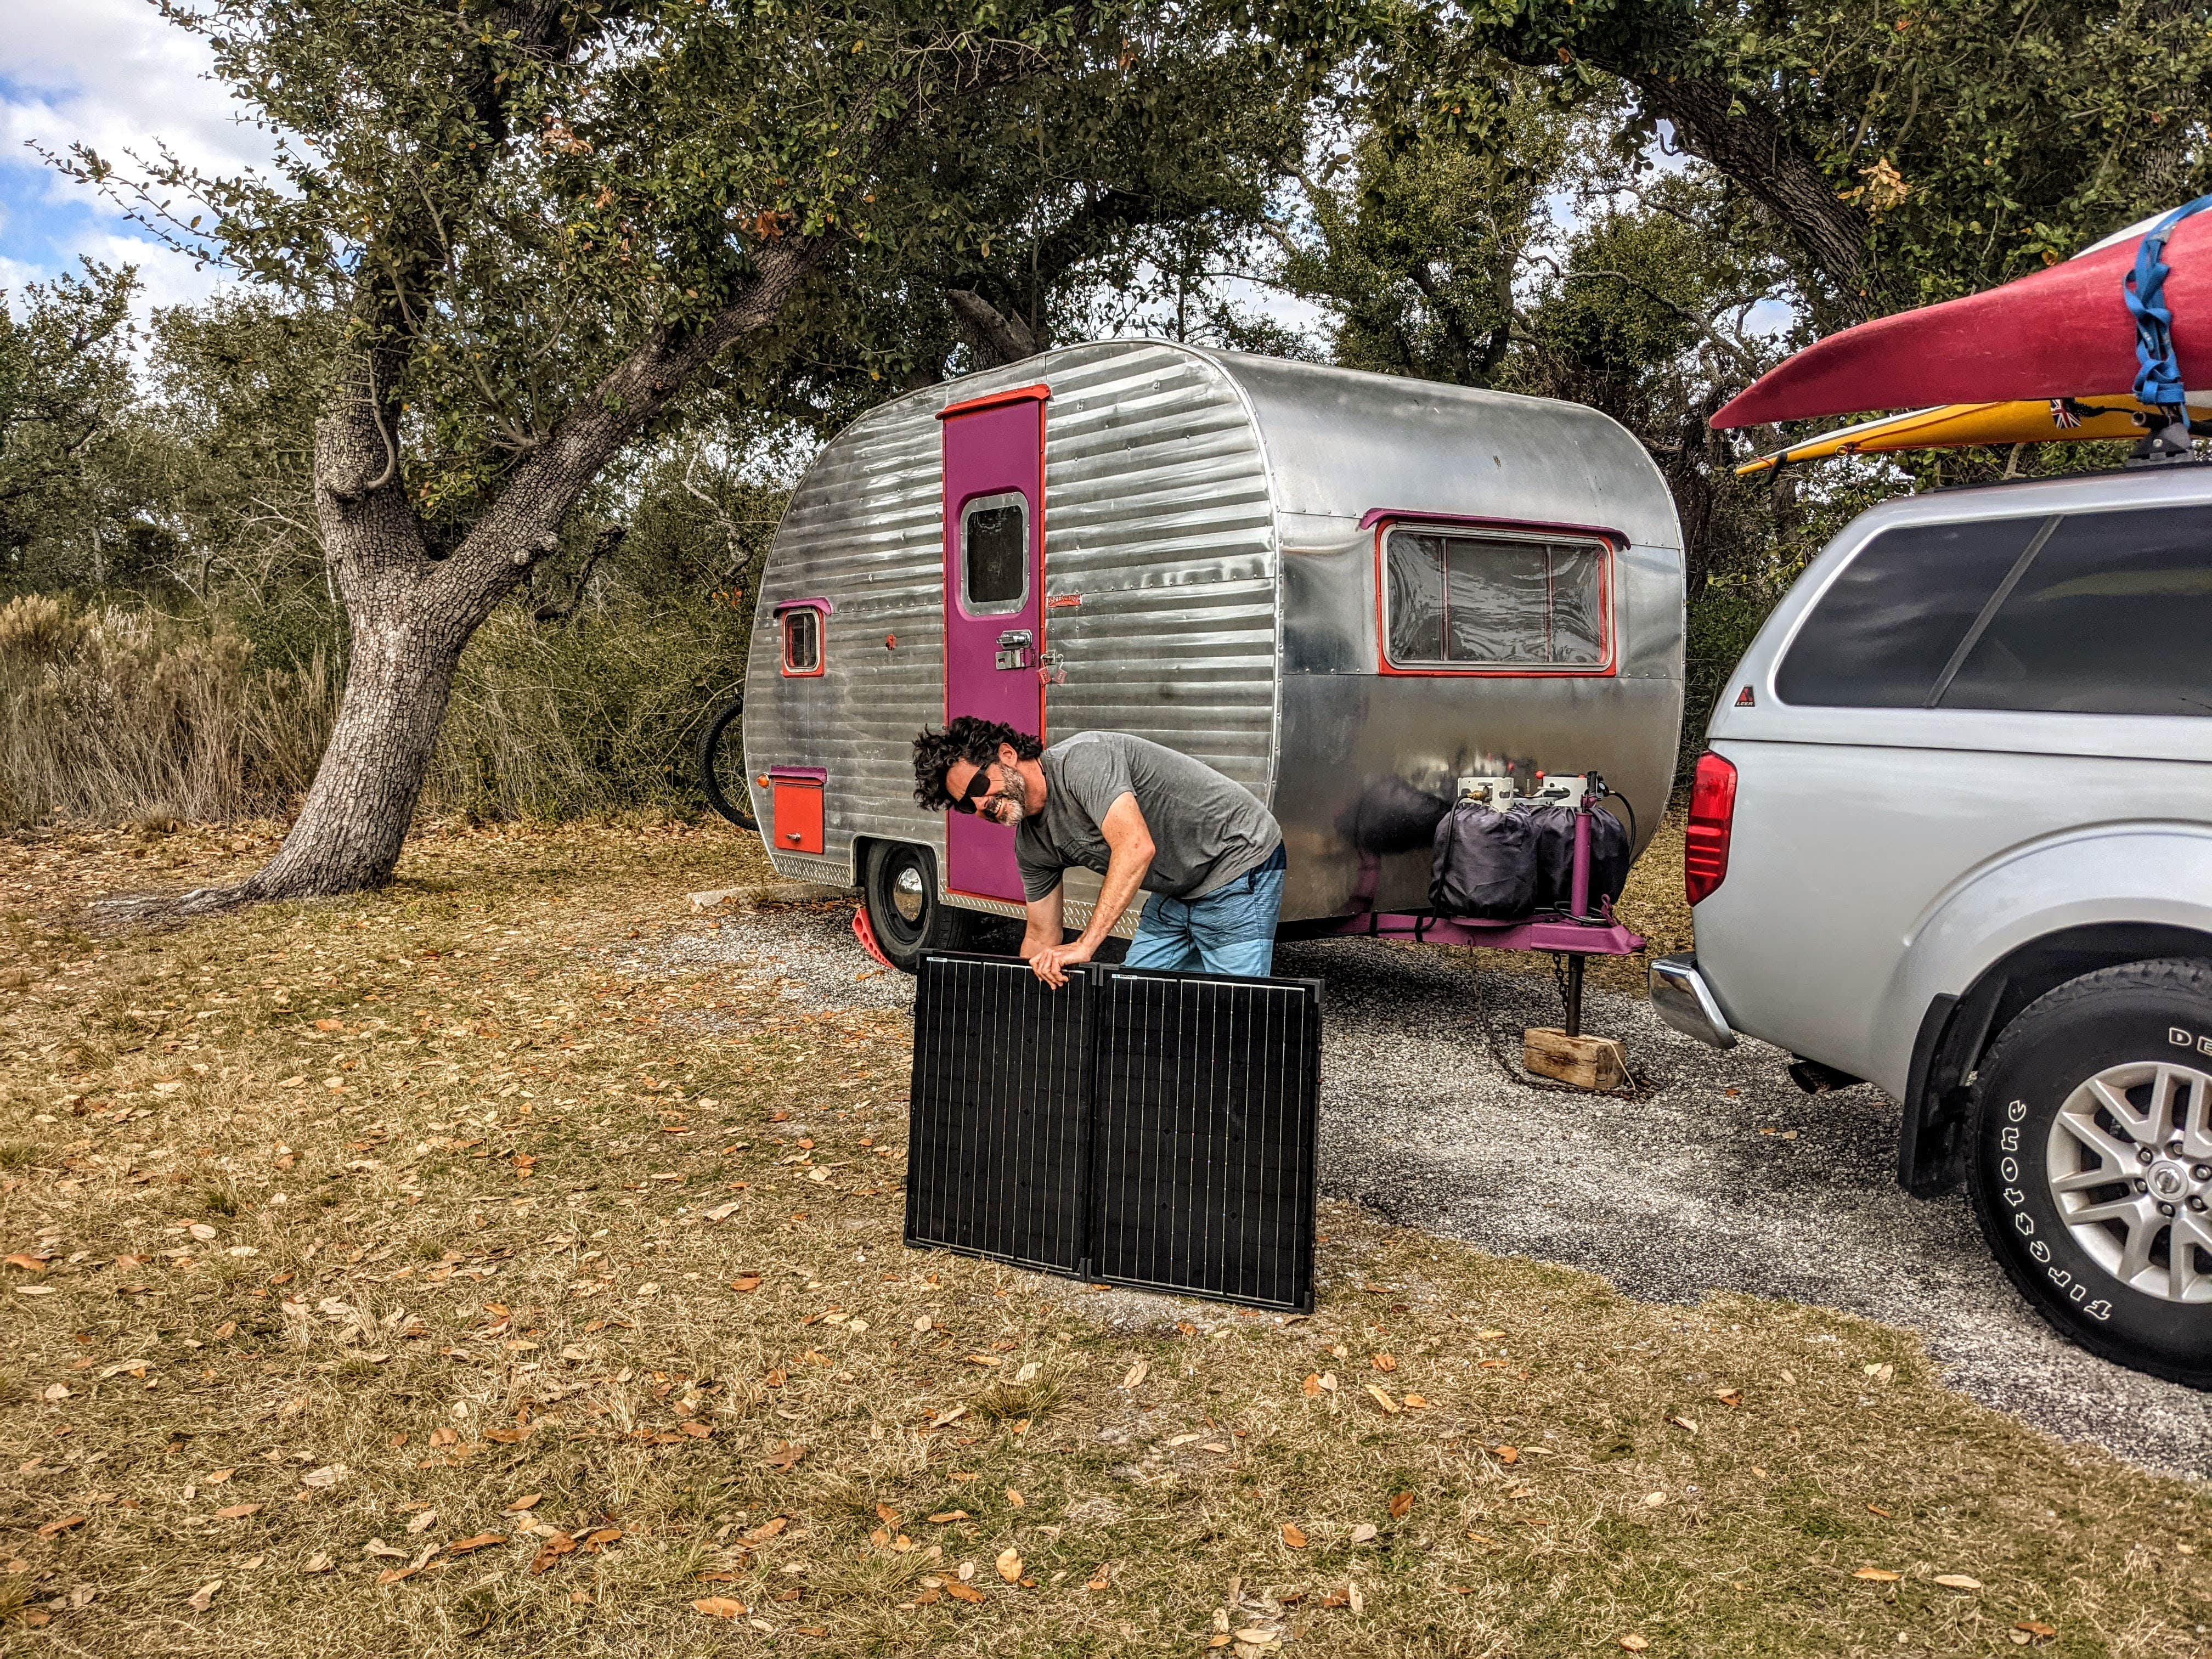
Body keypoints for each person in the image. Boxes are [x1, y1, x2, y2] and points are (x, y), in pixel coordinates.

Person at [911, 718, 1285, 985]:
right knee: (1133, 998)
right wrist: (1019, 1003)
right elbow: (1042, 935)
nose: (978, 805)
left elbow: (1136, 848)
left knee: (1239, 1012)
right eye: (965, 805)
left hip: (1237, 859)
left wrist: (1086, 945)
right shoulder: (1032, 845)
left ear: (1007, 754)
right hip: (1180, 888)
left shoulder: (1083, 762)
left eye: (977, 785)